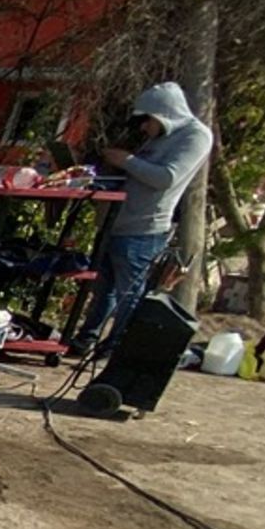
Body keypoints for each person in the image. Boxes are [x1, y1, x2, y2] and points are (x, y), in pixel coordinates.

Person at [72, 82, 214, 354]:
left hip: (143, 228)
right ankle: (86, 339)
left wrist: (126, 160)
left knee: (129, 295)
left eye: (147, 120)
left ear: (165, 113)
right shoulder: (159, 137)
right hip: (115, 223)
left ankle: (119, 348)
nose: (143, 128)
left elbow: (166, 177)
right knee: (103, 290)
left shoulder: (196, 136)